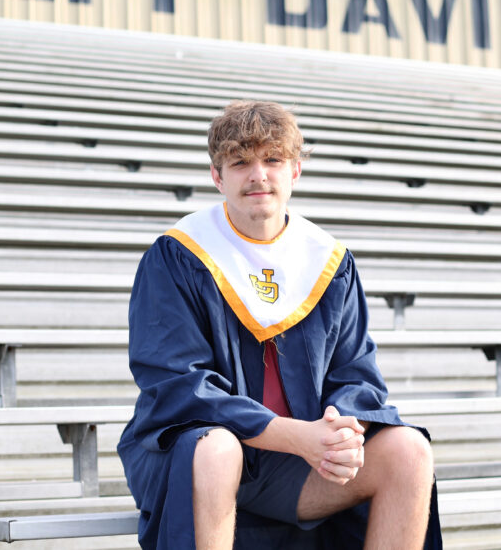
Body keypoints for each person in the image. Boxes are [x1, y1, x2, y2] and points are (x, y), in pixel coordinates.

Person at [117, 100, 442, 550]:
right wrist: (297, 437)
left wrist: (337, 431)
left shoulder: (327, 261)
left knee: (409, 451)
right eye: (240, 162)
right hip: (191, 455)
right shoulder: (180, 255)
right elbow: (179, 385)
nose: (258, 175)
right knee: (217, 449)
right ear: (217, 176)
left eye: (272, 160)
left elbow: (357, 375)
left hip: (294, 463)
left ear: (295, 171)